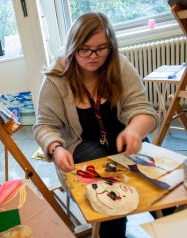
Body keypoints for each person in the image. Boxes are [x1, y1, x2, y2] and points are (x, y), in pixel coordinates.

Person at [33, 13, 159, 238]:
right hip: (82, 151)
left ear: (111, 46)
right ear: (72, 47)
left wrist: (134, 130)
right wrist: (56, 148)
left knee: (158, 185)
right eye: (85, 49)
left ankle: (168, 220)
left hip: (124, 144)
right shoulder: (56, 79)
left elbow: (144, 110)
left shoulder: (119, 66)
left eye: (102, 48)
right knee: (108, 195)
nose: (94, 56)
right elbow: (44, 126)